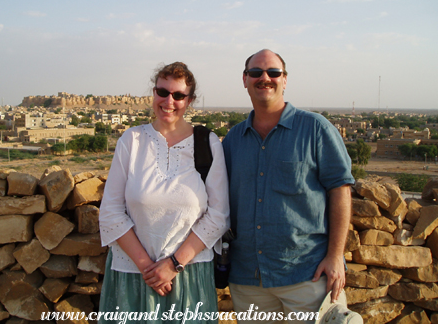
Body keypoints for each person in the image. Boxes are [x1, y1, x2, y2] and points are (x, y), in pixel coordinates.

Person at [222, 49, 355, 323]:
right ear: (245, 79)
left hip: (307, 274)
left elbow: (340, 190)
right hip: (249, 279)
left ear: (285, 80)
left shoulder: (315, 129)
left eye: (273, 72)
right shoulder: (234, 138)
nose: (265, 78)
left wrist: (335, 255)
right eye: (256, 72)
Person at [98, 62, 230, 323]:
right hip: (134, 275)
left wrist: (172, 266)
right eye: (162, 92)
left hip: (188, 276)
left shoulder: (207, 143)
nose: (169, 101)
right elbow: (110, 212)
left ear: (189, 100)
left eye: (178, 95)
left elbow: (218, 215)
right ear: (154, 93)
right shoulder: (132, 141)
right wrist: (150, 269)